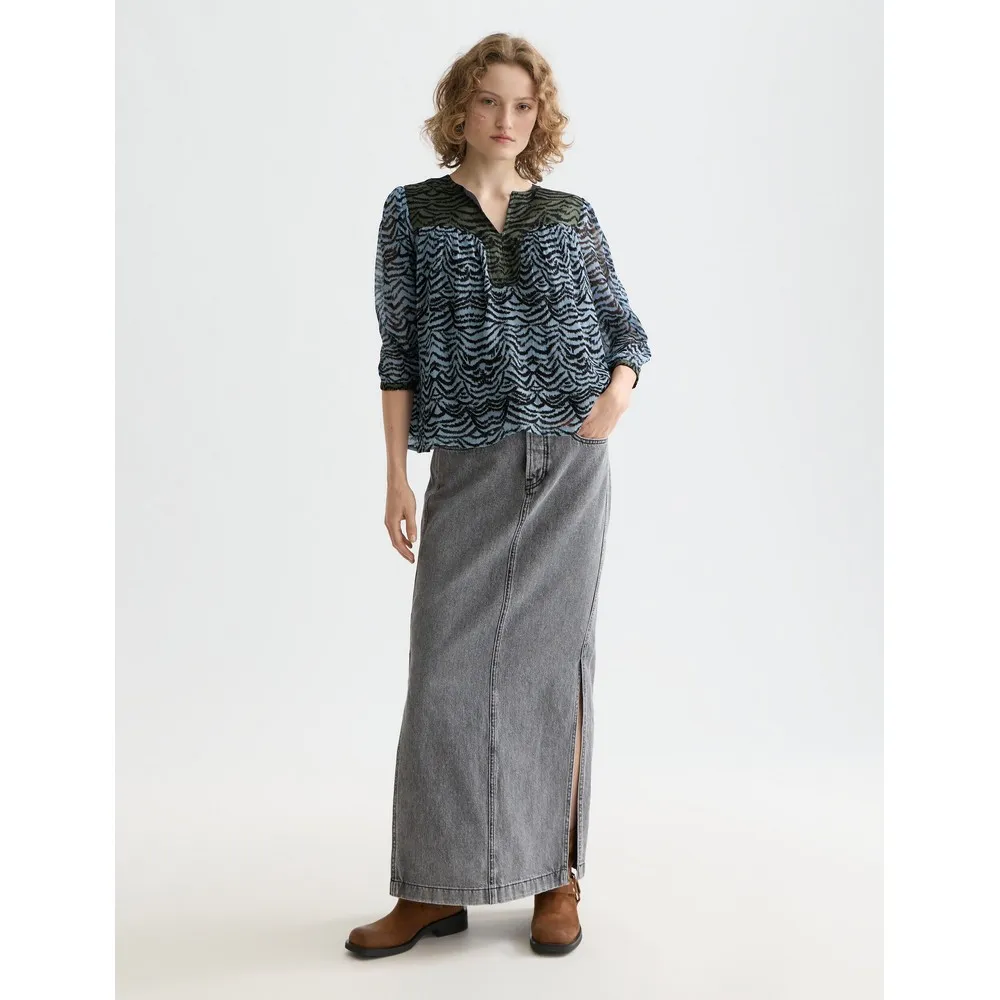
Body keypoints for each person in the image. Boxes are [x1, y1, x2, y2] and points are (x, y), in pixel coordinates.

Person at [346, 32, 651, 959]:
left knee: (554, 668)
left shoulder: (569, 213)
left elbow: (625, 325)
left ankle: (557, 879)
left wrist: (614, 398)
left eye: (523, 105)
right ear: (461, 108)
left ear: (539, 115)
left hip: (570, 462)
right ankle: (432, 890)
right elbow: (398, 349)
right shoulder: (412, 213)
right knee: (444, 670)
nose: (506, 120)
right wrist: (396, 473)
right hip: (470, 460)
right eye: (489, 101)